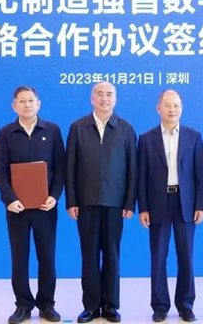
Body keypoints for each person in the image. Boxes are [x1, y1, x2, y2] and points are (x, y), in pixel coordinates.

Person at [65, 81, 137, 323]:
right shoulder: (78, 127)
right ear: (91, 98)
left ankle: (110, 305)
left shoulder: (126, 129)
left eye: (109, 94)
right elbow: (70, 167)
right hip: (86, 203)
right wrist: (71, 201)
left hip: (115, 203)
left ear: (115, 99)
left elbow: (133, 169)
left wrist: (129, 202)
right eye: (99, 94)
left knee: (112, 256)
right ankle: (91, 306)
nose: (104, 98)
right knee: (89, 256)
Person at [0, 86, 65, 324]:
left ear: (39, 104)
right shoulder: (6, 133)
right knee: (19, 257)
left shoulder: (52, 130)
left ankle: (46, 304)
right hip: (17, 209)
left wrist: (54, 196)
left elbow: (60, 167)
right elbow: (1, 171)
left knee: (47, 257)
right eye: (22, 101)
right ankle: (23, 305)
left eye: (31, 100)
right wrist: (10, 199)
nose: (27, 105)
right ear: (14, 106)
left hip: (45, 207)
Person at [137, 90, 203, 323]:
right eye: (167, 105)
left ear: (182, 108)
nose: (172, 110)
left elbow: (200, 174)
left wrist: (200, 205)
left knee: (186, 256)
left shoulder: (193, 136)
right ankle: (160, 306)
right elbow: (141, 177)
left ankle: (186, 305)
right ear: (158, 108)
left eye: (176, 105)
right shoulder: (146, 139)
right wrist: (143, 207)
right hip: (158, 203)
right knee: (158, 256)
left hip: (185, 203)